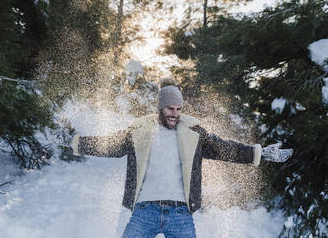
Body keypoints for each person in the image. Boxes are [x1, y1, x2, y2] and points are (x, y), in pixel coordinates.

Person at [70, 78, 293, 238]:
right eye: (170, 108)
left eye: (178, 109)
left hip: (180, 213)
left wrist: (261, 153)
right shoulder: (140, 132)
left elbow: (226, 149)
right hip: (144, 210)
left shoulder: (194, 134)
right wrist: (74, 142)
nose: (175, 114)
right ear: (160, 107)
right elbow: (108, 145)